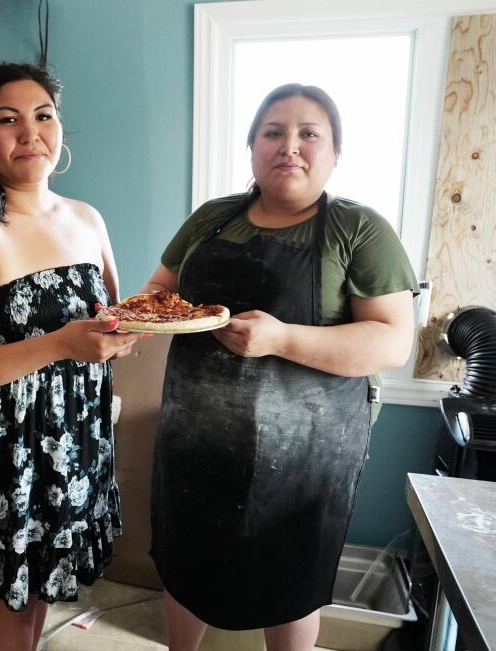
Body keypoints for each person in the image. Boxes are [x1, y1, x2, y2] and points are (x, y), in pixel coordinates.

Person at [139, 83, 419, 651]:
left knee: (291, 579)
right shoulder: (211, 219)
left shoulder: (358, 230)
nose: (289, 146)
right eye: (273, 132)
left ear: (335, 153)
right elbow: (156, 293)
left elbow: (392, 342)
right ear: (252, 148)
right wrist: (127, 324)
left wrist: (282, 339)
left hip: (306, 459)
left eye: (309, 133)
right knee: (185, 563)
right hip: (194, 443)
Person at [0, 61, 140, 651]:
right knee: (13, 602)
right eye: (8, 119)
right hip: (8, 449)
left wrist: (119, 337)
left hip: (75, 436)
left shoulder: (87, 219)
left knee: (40, 590)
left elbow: (111, 320)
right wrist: (61, 344)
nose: (29, 132)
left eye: (43, 116)